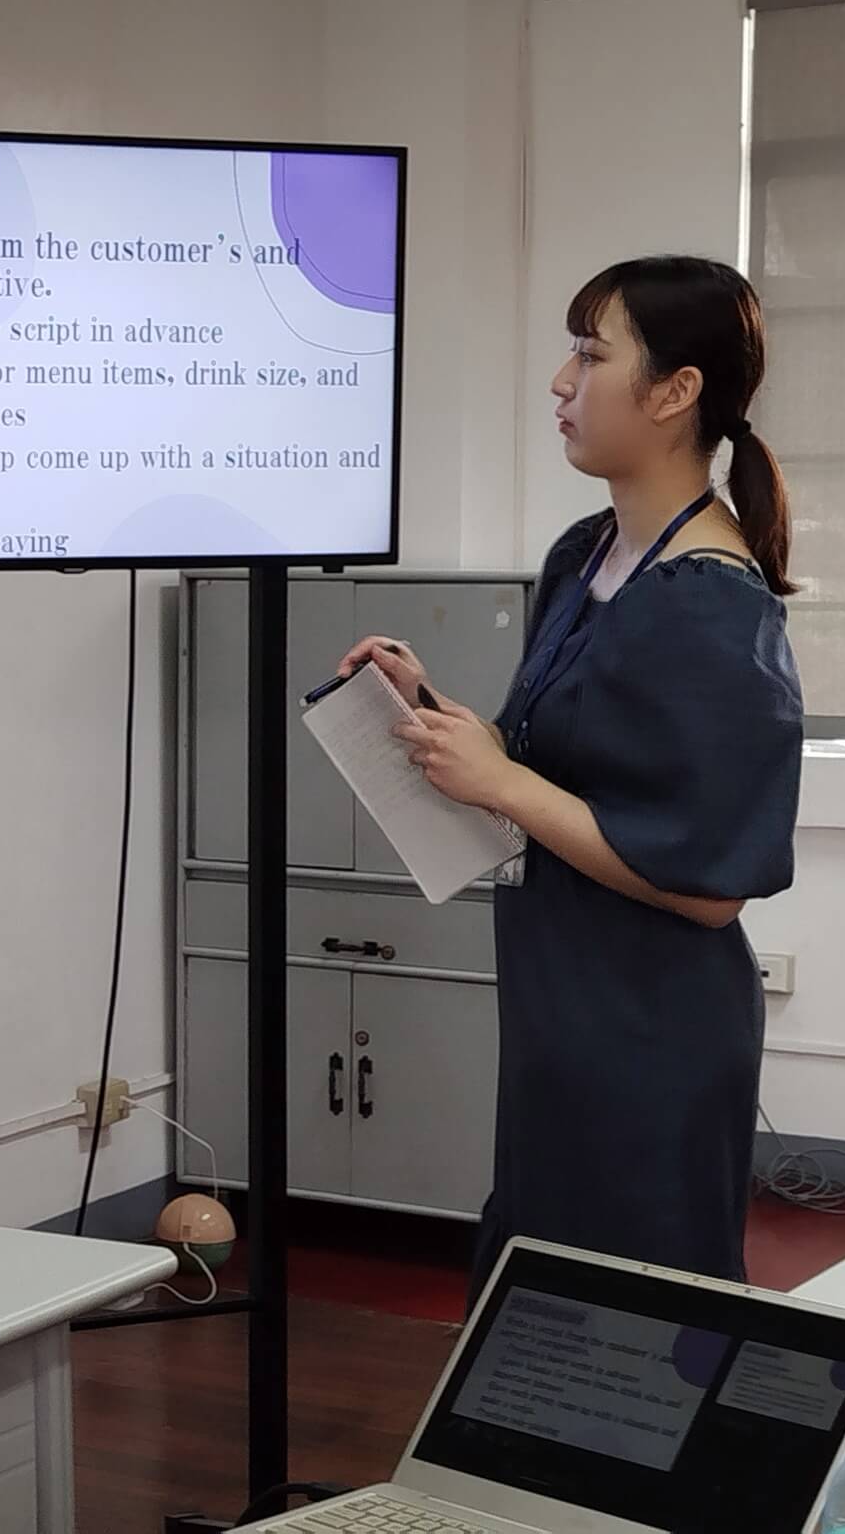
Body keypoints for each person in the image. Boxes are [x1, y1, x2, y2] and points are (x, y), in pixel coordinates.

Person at [339, 255, 802, 1295]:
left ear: (675, 391)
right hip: (557, 1006)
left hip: (650, 1029)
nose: (560, 381)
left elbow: (709, 890)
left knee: (632, 1311)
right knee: (537, 1284)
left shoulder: (713, 605)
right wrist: (428, 712)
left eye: (591, 355)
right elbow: (550, 773)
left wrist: (501, 784)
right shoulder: (584, 554)